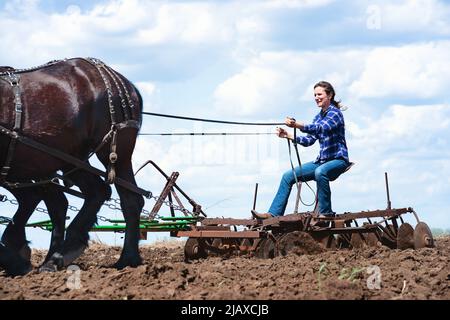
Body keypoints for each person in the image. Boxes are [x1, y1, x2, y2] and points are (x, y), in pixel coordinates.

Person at [252, 81, 350, 219]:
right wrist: (288, 135)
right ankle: (273, 213)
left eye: (319, 94)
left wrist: (296, 124)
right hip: (322, 161)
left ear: (330, 95)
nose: (316, 97)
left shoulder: (335, 114)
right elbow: (309, 140)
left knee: (320, 172)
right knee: (288, 176)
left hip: (338, 160)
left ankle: (326, 213)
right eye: (315, 95)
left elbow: (321, 128)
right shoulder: (318, 117)